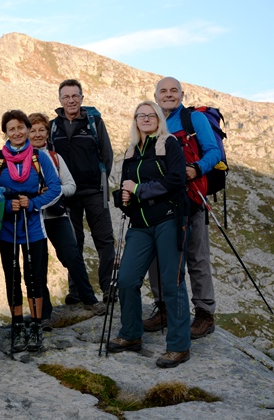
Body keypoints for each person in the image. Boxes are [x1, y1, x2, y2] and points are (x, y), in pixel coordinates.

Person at [108, 100, 191, 368]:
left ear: (158, 118)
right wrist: (122, 197)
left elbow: (177, 180)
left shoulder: (169, 144)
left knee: (171, 282)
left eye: (150, 114)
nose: (145, 118)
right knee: (126, 280)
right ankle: (131, 335)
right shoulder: (131, 151)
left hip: (168, 218)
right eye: (140, 115)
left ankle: (179, 346)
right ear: (135, 121)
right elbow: (126, 188)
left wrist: (139, 189)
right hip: (140, 224)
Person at [144, 77, 222, 339]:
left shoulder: (193, 120)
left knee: (196, 256)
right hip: (162, 199)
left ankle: (204, 314)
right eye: (163, 91)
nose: (169, 95)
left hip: (191, 197)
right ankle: (164, 308)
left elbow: (214, 152)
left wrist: (196, 168)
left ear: (182, 94)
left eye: (173, 90)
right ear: (156, 96)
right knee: (158, 256)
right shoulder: (151, 121)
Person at [0, 110, 61, 352]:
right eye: (12, 129)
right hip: (7, 227)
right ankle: (18, 324)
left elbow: (55, 188)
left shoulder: (40, 157)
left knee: (35, 276)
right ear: (5, 132)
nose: (17, 132)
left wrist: (32, 204)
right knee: (12, 277)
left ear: (27, 129)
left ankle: (36, 325)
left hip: (34, 226)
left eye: (21, 127)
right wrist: (8, 206)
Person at [28, 113, 106, 325]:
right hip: (33, 219)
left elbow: (71, 186)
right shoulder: (21, 161)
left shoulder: (55, 158)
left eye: (41, 130)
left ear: (47, 132)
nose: (37, 134)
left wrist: (52, 190)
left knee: (72, 255)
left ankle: (89, 299)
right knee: (38, 264)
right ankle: (44, 314)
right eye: (32, 130)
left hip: (56, 215)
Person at [49, 79, 115, 302]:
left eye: (74, 96)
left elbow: (107, 155)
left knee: (104, 239)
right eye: (66, 96)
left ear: (82, 98)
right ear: (59, 100)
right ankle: (76, 291)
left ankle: (108, 289)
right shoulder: (53, 126)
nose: (71, 100)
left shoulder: (94, 122)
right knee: (72, 242)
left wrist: (100, 179)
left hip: (94, 191)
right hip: (67, 194)